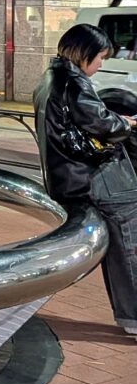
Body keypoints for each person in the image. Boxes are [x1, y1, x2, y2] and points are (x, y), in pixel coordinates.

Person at [33, 23, 137, 335]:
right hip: (97, 177)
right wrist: (127, 124)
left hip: (68, 178)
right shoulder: (74, 82)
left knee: (117, 247)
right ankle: (133, 318)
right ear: (84, 53)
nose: (102, 64)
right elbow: (104, 125)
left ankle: (130, 317)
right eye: (100, 57)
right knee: (129, 247)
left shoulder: (49, 78)